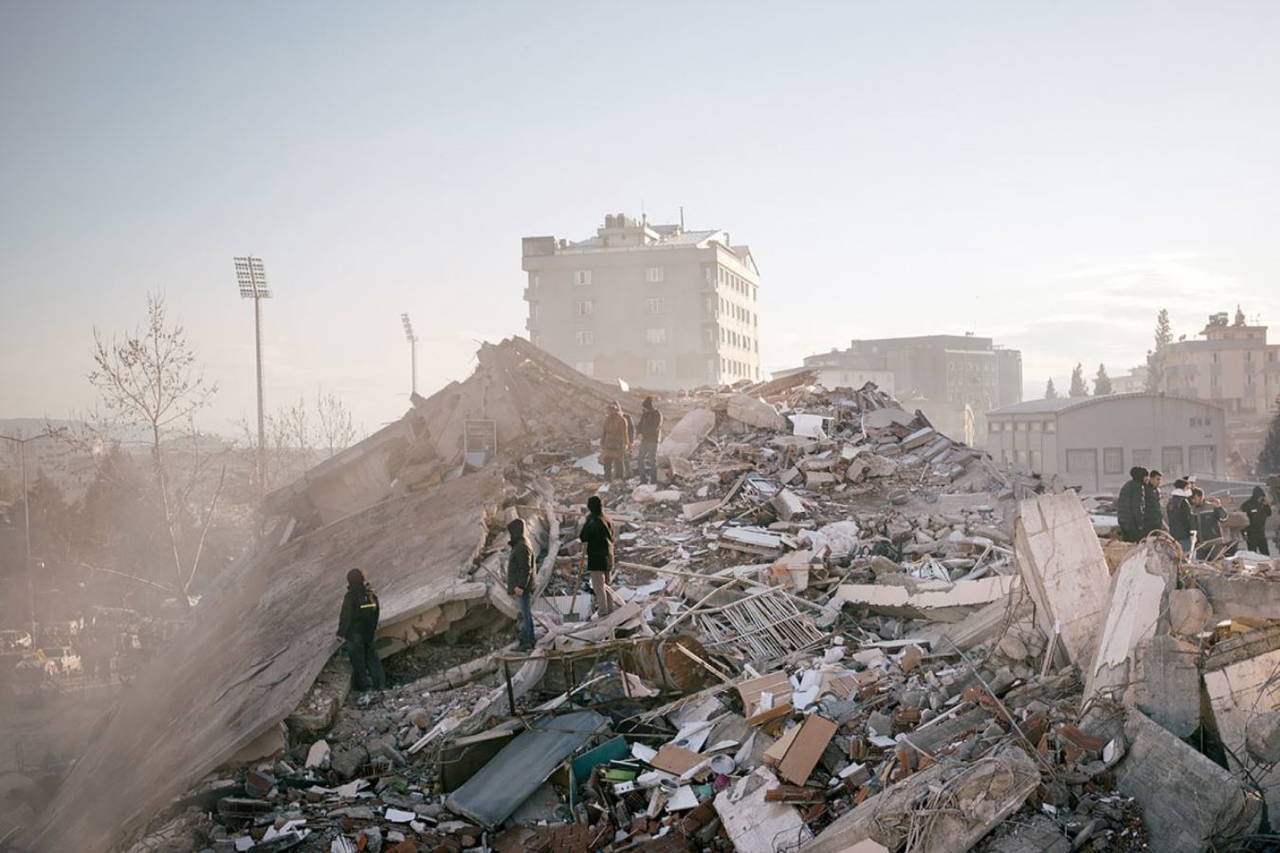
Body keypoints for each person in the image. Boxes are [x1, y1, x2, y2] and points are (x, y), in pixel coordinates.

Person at [337, 568, 386, 692]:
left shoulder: (350, 596)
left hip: (354, 634)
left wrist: (341, 633)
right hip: (368, 632)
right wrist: (372, 628)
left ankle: (364, 687)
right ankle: (379, 685)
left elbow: (346, 616)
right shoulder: (370, 594)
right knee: (372, 658)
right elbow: (376, 611)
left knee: (358, 661)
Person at [579, 495, 615, 617]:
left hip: (597, 558)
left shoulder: (592, 520)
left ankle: (603, 613)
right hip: (609, 556)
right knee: (607, 586)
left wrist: (586, 521)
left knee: (598, 587)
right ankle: (611, 610)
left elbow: (583, 536)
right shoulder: (607, 519)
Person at [506, 518, 537, 650]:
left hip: (522, 587)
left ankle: (528, 641)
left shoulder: (522, 546)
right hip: (521, 586)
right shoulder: (521, 543)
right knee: (525, 615)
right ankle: (526, 638)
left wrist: (521, 586)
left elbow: (526, 569)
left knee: (526, 615)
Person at [1190, 488, 1230, 561]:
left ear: (1201, 497)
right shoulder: (1192, 510)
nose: (1193, 500)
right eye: (1192, 498)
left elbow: (1224, 517)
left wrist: (1219, 507)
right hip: (1201, 545)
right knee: (1202, 566)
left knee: (1217, 562)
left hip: (1214, 542)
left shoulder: (1211, 507)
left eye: (1195, 498)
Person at [600, 403, 631, 481]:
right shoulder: (608, 419)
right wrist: (602, 442)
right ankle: (609, 479)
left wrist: (626, 444)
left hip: (617, 444)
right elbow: (604, 432)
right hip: (609, 444)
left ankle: (617, 479)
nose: (609, 412)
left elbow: (624, 433)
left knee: (617, 463)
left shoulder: (621, 420)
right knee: (609, 463)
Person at [1116, 466, 1148, 543]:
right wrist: (1140, 523)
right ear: (1141, 477)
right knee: (1139, 546)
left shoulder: (1128, 485)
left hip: (1123, 521)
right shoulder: (1137, 487)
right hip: (1132, 523)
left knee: (1128, 545)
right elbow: (1136, 507)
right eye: (1146, 476)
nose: (1147, 478)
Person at [636, 397, 663, 485]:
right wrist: (639, 432)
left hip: (653, 441)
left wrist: (643, 434)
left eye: (645, 407)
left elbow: (654, 428)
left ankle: (653, 481)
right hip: (644, 441)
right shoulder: (645, 414)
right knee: (640, 459)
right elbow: (639, 425)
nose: (644, 409)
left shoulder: (657, 414)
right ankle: (643, 480)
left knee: (652, 461)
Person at [1242, 486, 1272, 555]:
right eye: (1261, 497)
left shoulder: (1263, 504)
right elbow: (1242, 521)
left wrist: (1267, 505)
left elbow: (1269, 513)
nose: (1262, 498)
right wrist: (1244, 533)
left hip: (1261, 533)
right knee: (1252, 554)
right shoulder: (1247, 505)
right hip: (1251, 534)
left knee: (1265, 553)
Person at [1166, 478, 1194, 554]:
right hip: (1184, 536)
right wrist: (1192, 532)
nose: (1189, 490)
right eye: (1188, 488)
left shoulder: (1170, 501)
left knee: (1177, 557)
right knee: (1185, 558)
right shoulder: (1183, 501)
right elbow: (1188, 518)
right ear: (1184, 488)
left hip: (1174, 535)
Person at [1142, 470, 1165, 536]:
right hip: (1148, 522)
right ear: (1151, 479)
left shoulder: (1157, 490)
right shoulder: (1145, 489)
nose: (1159, 482)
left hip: (1157, 522)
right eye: (1157, 479)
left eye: (1160, 480)